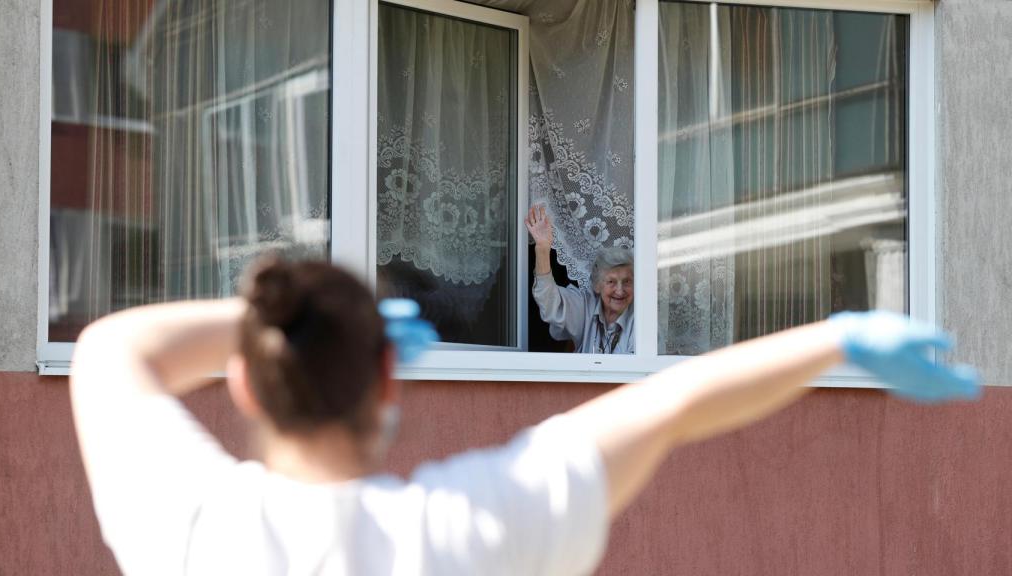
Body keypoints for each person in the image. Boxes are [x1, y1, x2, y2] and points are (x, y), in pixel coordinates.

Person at [70, 256, 980, 575]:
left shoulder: (194, 529)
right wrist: (835, 339)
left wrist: (277, 329)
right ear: (391, 384)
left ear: (243, 384)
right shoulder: (473, 528)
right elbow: (672, 402)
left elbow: (114, 349)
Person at [526, 204, 634, 354]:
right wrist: (543, 249)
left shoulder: (641, 321)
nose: (620, 290)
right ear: (597, 285)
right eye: (611, 282)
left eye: (627, 281)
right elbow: (550, 302)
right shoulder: (586, 307)